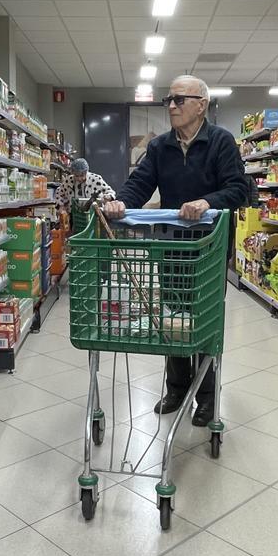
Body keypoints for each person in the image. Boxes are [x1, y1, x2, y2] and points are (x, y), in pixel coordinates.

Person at [103, 75, 251, 426]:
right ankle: (177, 387)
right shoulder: (160, 147)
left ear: (201, 105)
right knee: (171, 316)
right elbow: (140, 183)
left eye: (179, 99)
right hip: (172, 244)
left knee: (204, 321)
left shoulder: (221, 142)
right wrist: (120, 203)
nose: (171, 105)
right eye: (168, 99)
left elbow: (238, 190)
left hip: (209, 246)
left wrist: (207, 201)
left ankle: (206, 396)